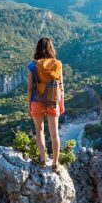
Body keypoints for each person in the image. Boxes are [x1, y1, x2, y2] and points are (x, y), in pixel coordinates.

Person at [27, 37, 65, 170]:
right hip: (53, 100)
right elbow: (61, 87)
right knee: (54, 134)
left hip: (36, 101)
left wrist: (28, 106)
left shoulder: (32, 65)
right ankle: (55, 163)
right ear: (51, 48)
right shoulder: (58, 64)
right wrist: (61, 104)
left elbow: (30, 88)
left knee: (39, 130)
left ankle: (42, 159)